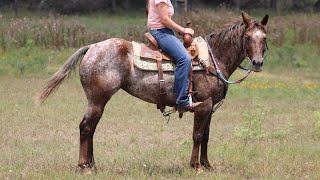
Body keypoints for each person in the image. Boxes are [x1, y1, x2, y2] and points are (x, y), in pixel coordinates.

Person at [146, 0, 202, 113]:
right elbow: (164, 20)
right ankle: (182, 101)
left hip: (165, 31)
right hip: (161, 32)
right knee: (184, 59)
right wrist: (183, 30)